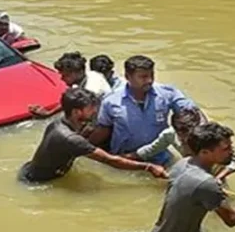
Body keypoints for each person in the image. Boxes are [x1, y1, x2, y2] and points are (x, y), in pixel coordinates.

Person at [19, 87, 168, 183]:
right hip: (42, 182)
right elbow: (110, 160)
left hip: (32, 171)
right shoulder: (71, 139)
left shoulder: (59, 123)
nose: (95, 111)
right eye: (91, 108)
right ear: (77, 112)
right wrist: (148, 167)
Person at [89, 55, 198, 165]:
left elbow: (192, 112)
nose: (149, 80)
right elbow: (103, 129)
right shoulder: (111, 101)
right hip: (126, 158)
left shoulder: (167, 93)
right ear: (128, 76)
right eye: (143, 77)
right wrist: (86, 148)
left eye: (152, 75)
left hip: (159, 155)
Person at [129, 108, 235, 182]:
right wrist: (122, 158)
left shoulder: (211, 137)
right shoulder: (169, 135)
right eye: (182, 137)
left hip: (215, 174)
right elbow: (149, 151)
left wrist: (218, 178)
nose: (186, 141)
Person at [28, 52, 111, 118]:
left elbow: (87, 117)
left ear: (80, 72)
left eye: (66, 76)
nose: (62, 79)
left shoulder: (92, 90)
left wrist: (49, 114)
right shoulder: (86, 76)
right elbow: (70, 100)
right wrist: (49, 112)